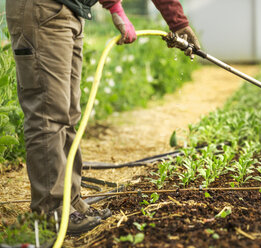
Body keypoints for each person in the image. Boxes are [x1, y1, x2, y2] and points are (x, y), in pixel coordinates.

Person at [5, 0, 200, 234]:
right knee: (49, 114)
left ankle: (71, 201)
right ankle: (51, 211)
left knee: (67, 114)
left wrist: (174, 21)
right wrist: (121, 8)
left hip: (69, 10)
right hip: (43, 8)